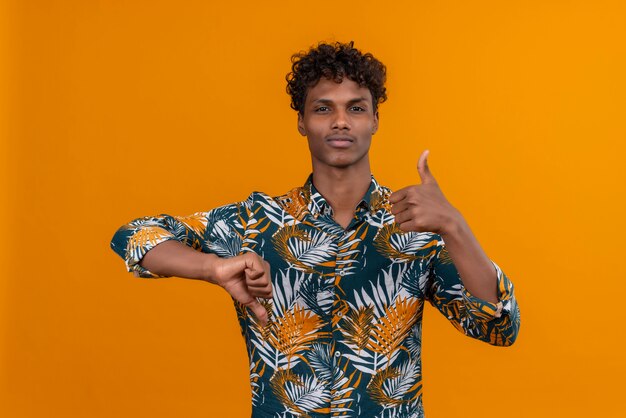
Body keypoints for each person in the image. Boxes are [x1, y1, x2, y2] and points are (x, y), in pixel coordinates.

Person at [111, 41, 520, 418]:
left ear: (375, 119)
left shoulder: (417, 225)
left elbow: (498, 327)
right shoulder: (258, 221)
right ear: (302, 122)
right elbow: (135, 236)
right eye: (323, 108)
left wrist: (454, 224)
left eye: (356, 108)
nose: (340, 121)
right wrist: (212, 269)